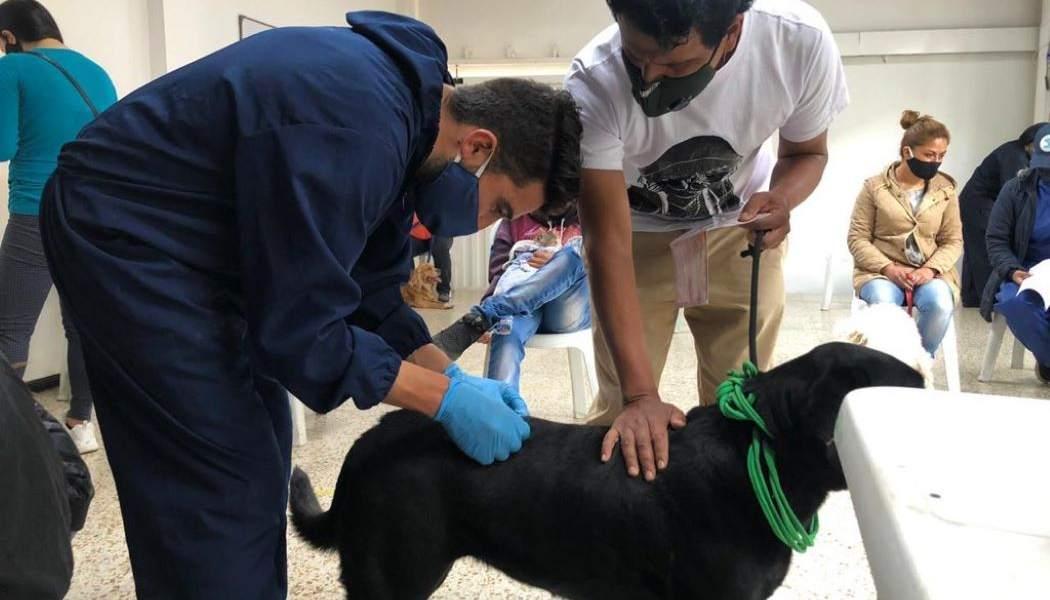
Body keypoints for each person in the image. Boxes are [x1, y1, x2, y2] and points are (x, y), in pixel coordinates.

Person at [39, 11, 581, 598]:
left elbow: (370, 283)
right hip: (127, 239)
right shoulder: (357, 126)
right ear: (478, 146)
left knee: (265, 452)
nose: (484, 227)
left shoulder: (413, 120)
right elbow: (301, 331)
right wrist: (443, 400)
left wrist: (443, 368)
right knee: (216, 482)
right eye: (499, 209)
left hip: (200, 248)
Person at [564, 0, 847, 480]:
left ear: (732, 31)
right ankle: (618, 533)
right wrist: (640, 397)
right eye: (637, 56)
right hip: (634, 236)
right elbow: (606, 243)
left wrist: (781, 199)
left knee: (740, 405)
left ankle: (726, 525)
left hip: (737, 229)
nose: (650, 78)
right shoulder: (595, 80)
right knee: (624, 417)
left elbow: (807, 153)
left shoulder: (796, 42)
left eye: (677, 63)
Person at [0, 0, 116, 453]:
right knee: (82, 322)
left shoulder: (15, 70)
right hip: (95, 212)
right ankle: (80, 424)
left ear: (9, 38)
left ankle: (11, 441)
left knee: (9, 327)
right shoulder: (97, 71)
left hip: (37, 209)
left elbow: (4, 143)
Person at [433, 205, 588, 390]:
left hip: (568, 308)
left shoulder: (589, 217)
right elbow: (499, 272)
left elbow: (608, 273)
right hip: (522, 307)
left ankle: (486, 314)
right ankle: (501, 412)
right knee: (507, 329)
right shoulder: (514, 219)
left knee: (573, 256)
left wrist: (556, 266)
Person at [847, 111, 961, 358]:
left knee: (940, 305)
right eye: (929, 155)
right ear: (907, 152)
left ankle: (916, 364)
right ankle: (888, 366)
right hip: (879, 273)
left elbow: (953, 241)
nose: (936, 162)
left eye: (941, 156)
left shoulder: (946, 189)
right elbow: (857, 238)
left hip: (930, 273)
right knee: (884, 306)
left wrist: (929, 270)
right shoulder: (874, 187)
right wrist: (888, 268)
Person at [982, 123, 1050, 384]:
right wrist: (1012, 270)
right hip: (1023, 272)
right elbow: (996, 239)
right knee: (1017, 306)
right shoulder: (1015, 189)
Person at [959, 123, 1048, 307]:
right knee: (984, 251)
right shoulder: (1014, 155)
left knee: (974, 251)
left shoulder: (1016, 150)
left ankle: (972, 298)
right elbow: (1016, 193)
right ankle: (989, 299)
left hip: (976, 200)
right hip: (980, 202)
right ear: (1030, 143)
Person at [410, 214, 455, 304]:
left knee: (440, 247)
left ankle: (444, 290)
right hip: (417, 233)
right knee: (404, 247)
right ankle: (409, 288)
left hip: (441, 232)